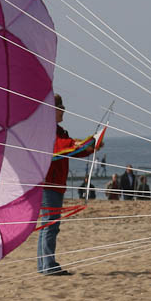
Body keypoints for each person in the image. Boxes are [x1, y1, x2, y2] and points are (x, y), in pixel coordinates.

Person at [38, 93, 101, 276]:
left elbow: (71, 151)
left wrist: (89, 148)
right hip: (49, 185)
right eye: (60, 107)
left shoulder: (59, 131)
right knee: (51, 224)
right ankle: (48, 265)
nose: (63, 110)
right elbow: (62, 147)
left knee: (49, 224)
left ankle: (44, 265)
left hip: (55, 184)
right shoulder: (47, 131)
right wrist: (86, 142)